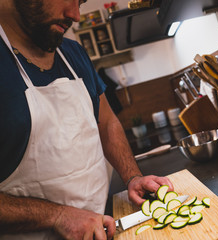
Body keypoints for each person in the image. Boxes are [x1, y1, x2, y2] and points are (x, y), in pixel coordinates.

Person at [0, 0, 174, 239]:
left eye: (80, 2)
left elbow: (107, 122)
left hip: (105, 226)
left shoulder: (74, 54)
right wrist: (58, 216)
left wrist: (133, 176)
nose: (76, 15)